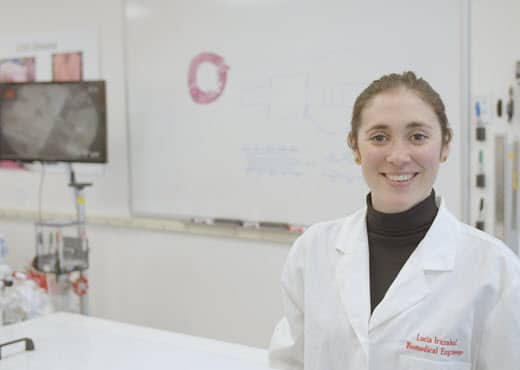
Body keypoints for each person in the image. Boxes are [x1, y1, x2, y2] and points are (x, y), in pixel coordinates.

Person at [268, 71, 520, 370]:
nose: (398, 156)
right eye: (379, 137)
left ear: (445, 146)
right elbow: (289, 362)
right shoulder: (312, 251)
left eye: (417, 137)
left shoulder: (494, 269)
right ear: (355, 147)